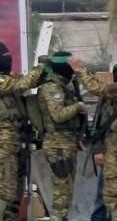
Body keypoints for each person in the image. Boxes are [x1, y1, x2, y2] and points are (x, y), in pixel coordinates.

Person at [0, 41, 45, 221]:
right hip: (3, 143)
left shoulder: (7, 78)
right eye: (5, 58)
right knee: (6, 192)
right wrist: (40, 67)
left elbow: (27, 81)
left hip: (17, 140)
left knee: (16, 192)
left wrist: (44, 73)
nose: (8, 61)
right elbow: (21, 85)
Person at [73, 56, 117, 221]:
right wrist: (99, 149)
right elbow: (102, 121)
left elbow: (96, 88)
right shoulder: (115, 94)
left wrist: (81, 71)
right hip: (113, 152)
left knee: (114, 197)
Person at [38, 51, 85, 221]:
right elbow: (57, 115)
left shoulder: (65, 85)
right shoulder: (52, 87)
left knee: (66, 193)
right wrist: (78, 107)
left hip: (66, 144)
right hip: (58, 146)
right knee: (61, 196)